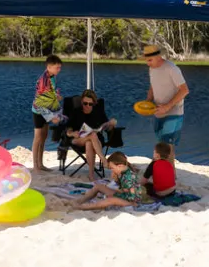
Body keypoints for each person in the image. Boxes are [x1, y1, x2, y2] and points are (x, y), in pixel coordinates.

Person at [143, 44, 189, 179]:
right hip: (158, 112)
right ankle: (171, 176)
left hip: (173, 113)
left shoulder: (172, 68)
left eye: (149, 60)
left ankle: (166, 177)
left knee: (165, 147)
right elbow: (153, 86)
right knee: (164, 147)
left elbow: (185, 90)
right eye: (146, 60)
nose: (147, 63)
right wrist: (148, 101)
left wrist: (167, 106)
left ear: (158, 57)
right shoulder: (152, 69)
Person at [65, 89, 117, 181]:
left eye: (90, 104)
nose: (87, 106)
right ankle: (103, 159)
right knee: (92, 135)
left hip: (95, 141)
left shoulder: (98, 112)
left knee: (90, 141)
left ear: (94, 103)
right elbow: (67, 129)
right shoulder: (76, 112)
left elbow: (106, 127)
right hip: (78, 139)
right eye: (85, 103)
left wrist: (111, 124)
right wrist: (72, 133)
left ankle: (91, 175)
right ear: (82, 102)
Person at [31, 55, 66, 172]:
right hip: (39, 111)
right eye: (57, 68)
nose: (59, 70)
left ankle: (41, 164)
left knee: (44, 137)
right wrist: (51, 118)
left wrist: (56, 96)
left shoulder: (52, 77)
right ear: (49, 67)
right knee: (38, 138)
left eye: (60, 68)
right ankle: (35, 166)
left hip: (48, 110)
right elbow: (39, 103)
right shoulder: (43, 81)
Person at [74, 152, 140, 210]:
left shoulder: (128, 177)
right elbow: (122, 189)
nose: (112, 170)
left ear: (120, 166)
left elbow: (131, 191)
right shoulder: (122, 172)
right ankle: (79, 201)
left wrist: (115, 194)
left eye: (112, 168)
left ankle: (82, 207)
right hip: (124, 195)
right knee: (98, 186)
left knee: (110, 200)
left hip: (130, 201)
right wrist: (116, 180)